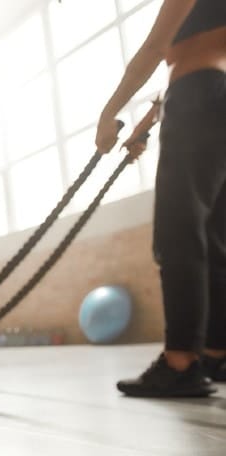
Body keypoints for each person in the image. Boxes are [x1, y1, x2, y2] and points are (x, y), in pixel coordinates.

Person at [95, 0, 226, 397]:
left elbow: (156, 49)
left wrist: (109, 111)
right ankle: (215, 353)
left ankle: (180, 362)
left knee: (179, 233)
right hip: (214, 98)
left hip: (197, 98)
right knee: (214, 237)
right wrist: (149, 121)